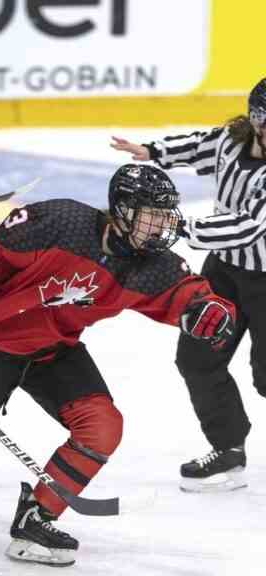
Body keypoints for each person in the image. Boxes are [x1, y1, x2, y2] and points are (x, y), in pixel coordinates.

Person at [0, 164, 236, 568]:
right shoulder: (61, 220)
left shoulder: (152, 265)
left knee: (102, 427)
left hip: (54, 347)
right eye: (151, 215)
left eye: (165, 216)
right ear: (122, 211)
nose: (161, 227)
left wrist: (211, 310)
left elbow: (189, 295)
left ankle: (36, 520)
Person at [110, 78, 266, 492]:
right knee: (197, 359)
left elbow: (247, 227)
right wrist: (153, 152)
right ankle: (228, 448)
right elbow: (201, 145)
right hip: (223, 273)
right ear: (256, 120)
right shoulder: (233, 140)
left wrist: (179, 225)